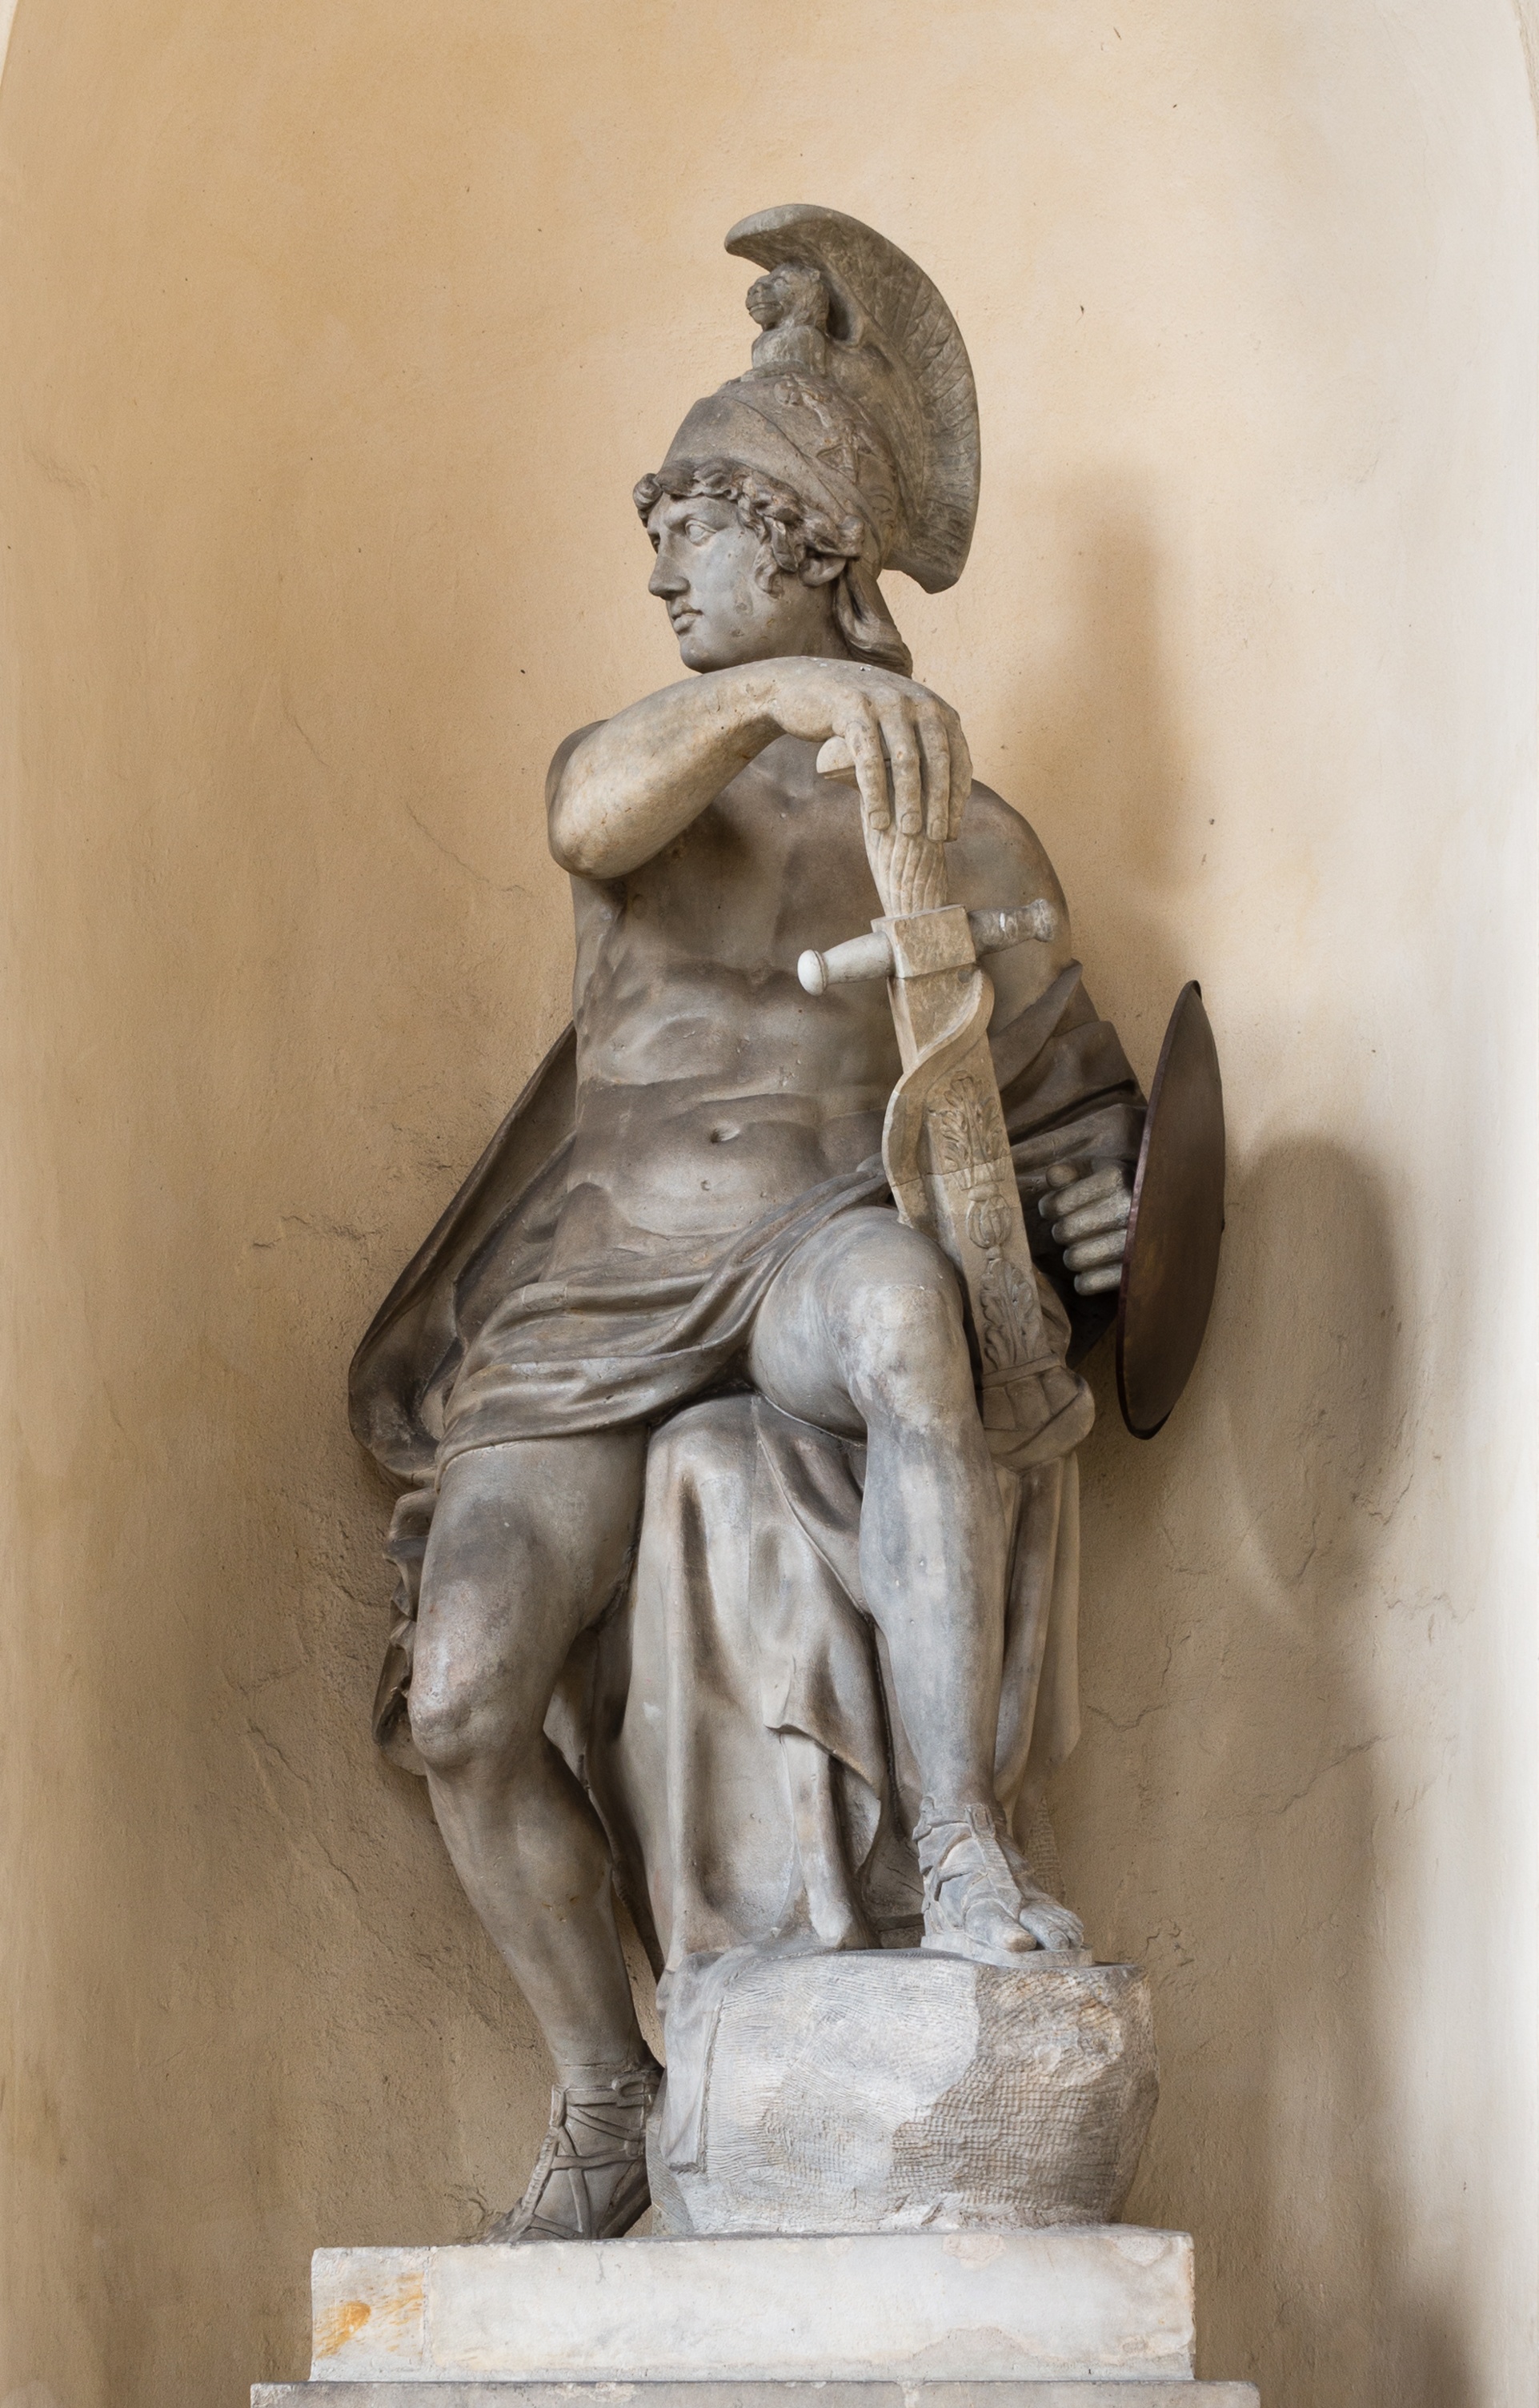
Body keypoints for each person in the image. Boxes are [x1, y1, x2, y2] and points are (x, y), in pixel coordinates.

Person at [348, 208, 1143, 2244]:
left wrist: (1106, 1218)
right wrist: (773, 690)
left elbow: (1055, 1117)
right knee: (458, 1705)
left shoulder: (965, 829)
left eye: (689, 529)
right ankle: (607, 2090)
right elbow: (581, 811)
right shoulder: (660, 772)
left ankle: (956, 1843)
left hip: (803, 1248)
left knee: (900, 1325)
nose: (654, 568)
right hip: (595, 1283)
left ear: (796, 537)